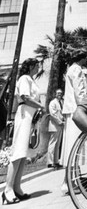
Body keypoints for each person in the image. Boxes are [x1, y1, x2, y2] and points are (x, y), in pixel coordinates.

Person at [3, 58, 44, 203]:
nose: (39, 68)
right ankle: (7, 189)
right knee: (18, 152)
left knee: (23, 154)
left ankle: (16, 187)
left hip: (30, 116)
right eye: (37, 65)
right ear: (32, 66)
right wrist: (41, 106)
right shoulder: (24, 78)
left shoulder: (31, 80)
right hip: (24, 114)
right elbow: (25, 97)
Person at [60, 49, 87, 194]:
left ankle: (71, 180)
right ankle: (68, 182)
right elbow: (79, 91)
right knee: (74, 145)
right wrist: (85, 107)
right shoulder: (76, 69)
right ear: (81, 58)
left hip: (71, 109)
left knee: (72, 146)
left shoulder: (71, 69)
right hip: (76, 110)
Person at [47, 89, 64, 168]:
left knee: (58, 144)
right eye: (58, 93)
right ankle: (50, 162)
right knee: (52, 144)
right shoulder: (52, 103)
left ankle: (56, 161)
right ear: (55, 94)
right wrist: (59, 122)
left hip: (60, 126)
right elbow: (52, 114)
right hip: (55, 125)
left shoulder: (62, 102)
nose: (59, 95)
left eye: (60, 93)